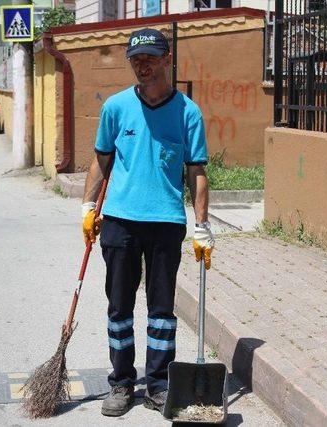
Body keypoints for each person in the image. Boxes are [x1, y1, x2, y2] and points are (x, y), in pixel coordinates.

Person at [81, 28, 214, 417]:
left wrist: (202, 226)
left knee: (161, 310)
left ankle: (158, 384)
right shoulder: (116, 108)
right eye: (137, 59)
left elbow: (197, 171)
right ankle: (121, 383)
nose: (143, 66)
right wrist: (87, 207)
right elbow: (101, 160)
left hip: (166, 223)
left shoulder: (188, 112)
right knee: (119, 307)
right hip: (120, 221)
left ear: (167, 59)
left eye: (151, 58)